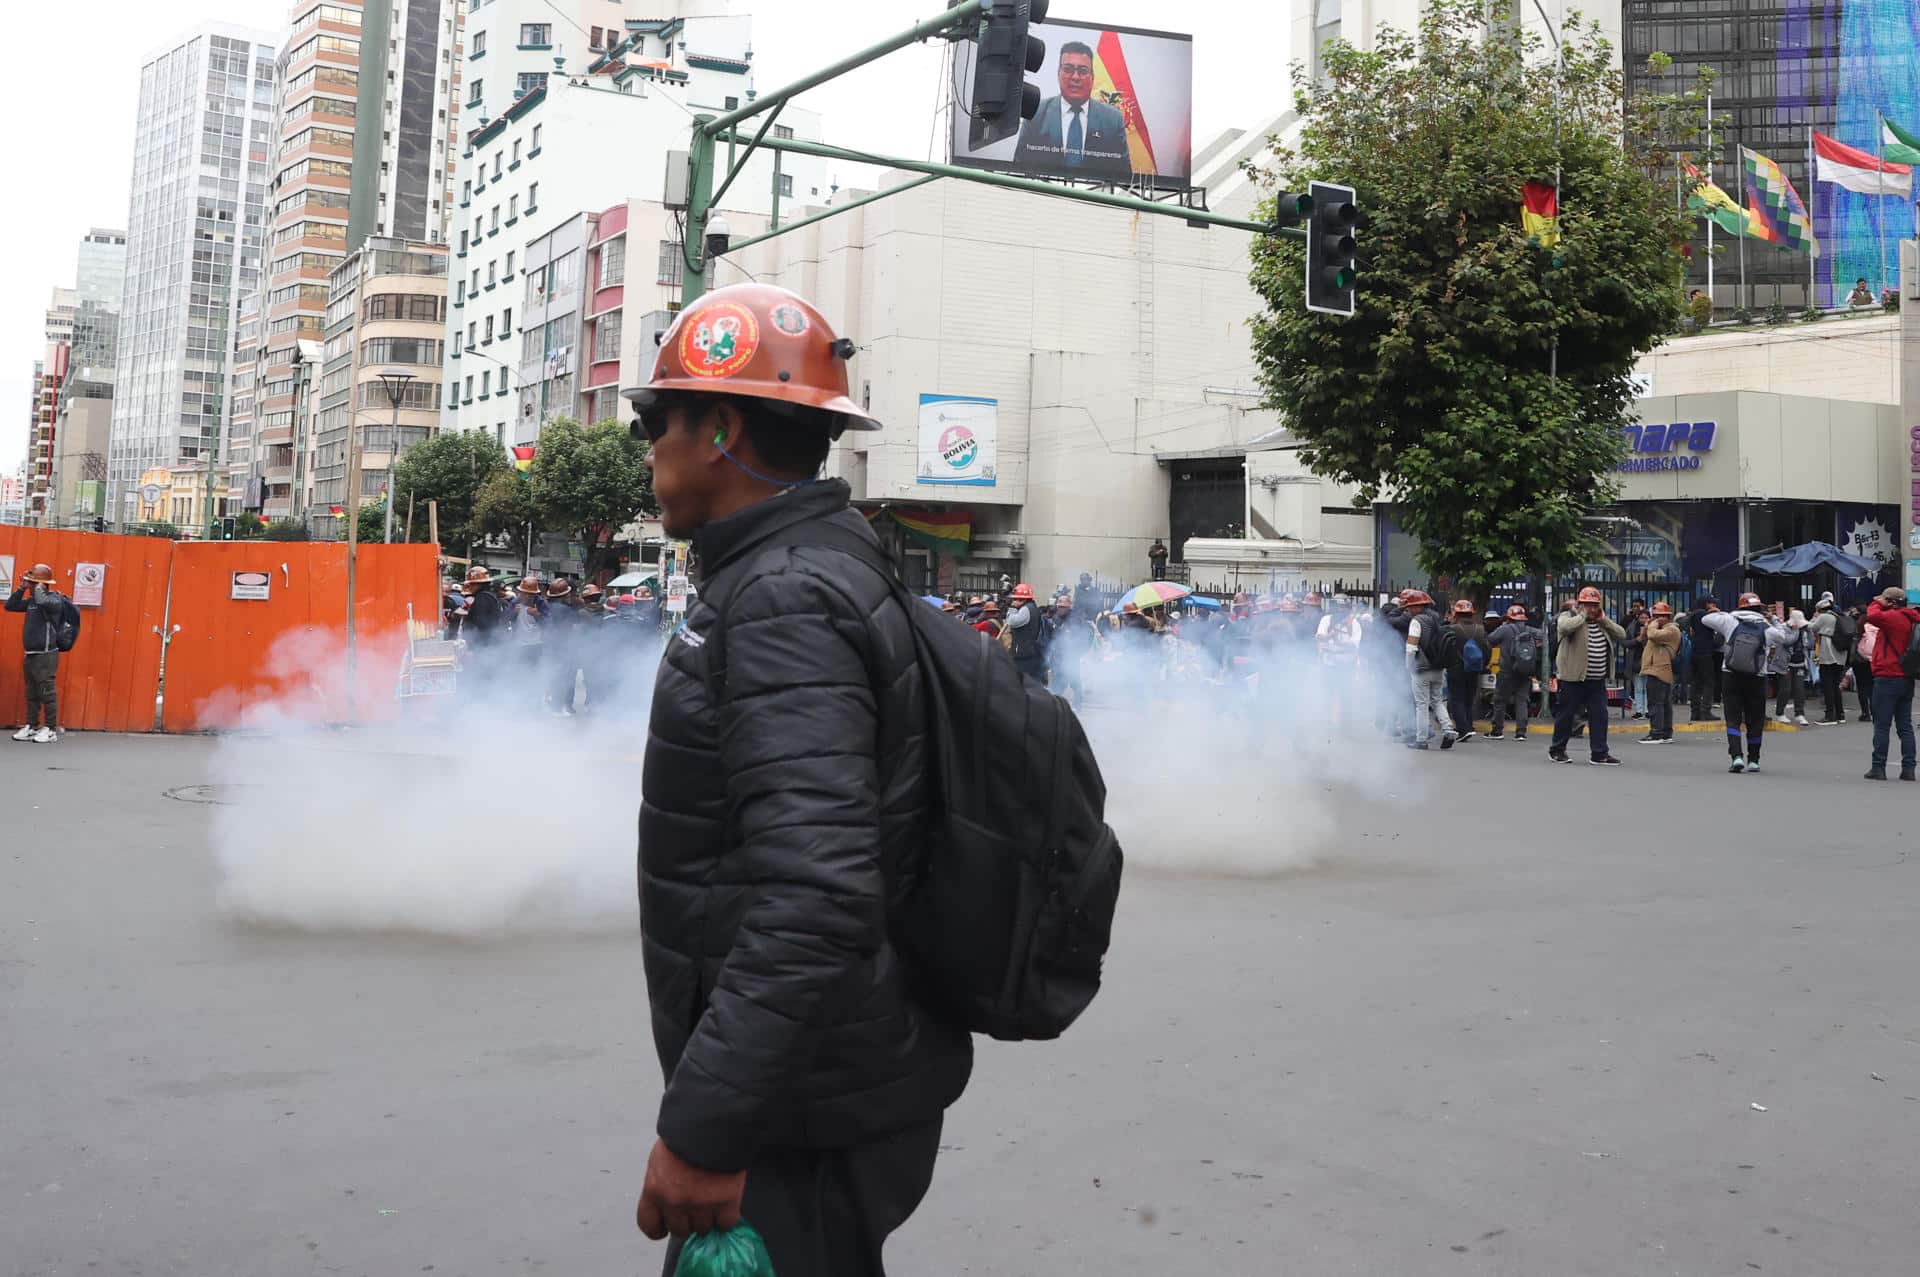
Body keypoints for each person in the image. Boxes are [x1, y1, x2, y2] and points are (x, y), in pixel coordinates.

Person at [625, 283, 970, 1273]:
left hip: (804, 1109)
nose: (649, 446)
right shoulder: (803, 569)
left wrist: (707, 1127)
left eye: (662, 420)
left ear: (721, 430)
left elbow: (815, 892)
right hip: (818, 1083)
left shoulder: (783, 597)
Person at [1691, 592, 1789, 774]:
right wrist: (1774, 618)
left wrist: (1720, 612)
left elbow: (1706, 620)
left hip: (1731, 674)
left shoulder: (1729, 620)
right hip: (1757, 677)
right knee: (1755, 720)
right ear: (1759, 608)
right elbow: (1783, 637)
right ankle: (1754, 760)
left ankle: (1736, 757)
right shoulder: (1767, 628)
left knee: (1733, 718)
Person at [1012, 41, 1131, 180]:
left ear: (1092, 77)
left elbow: (1124, 177)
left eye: (1082, 71)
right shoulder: (1036, 112)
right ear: (1058, 74)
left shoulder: (1113, 119)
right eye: (1068, 69)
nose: (1075, 77)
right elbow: (1018, 171)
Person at [1549, 586, 1624, 765]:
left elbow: (1621, 634)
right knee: (1566, 716)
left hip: (1596, 680)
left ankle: (1599, 753)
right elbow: (1564, 627)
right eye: (1587, 605)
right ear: (1580, 604)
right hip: (1572, 678)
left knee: (1600, 716)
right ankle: (1557, 750)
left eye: (1594, 605)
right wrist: (1581, 616)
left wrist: (1604, 620)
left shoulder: (1601, 621)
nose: (1591, 609)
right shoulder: (1569, 616)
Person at [7, 563, 79, 743]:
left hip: (46, 654)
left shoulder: (53, 599)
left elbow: (42, 600)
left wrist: (39, 586)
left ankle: (50, 729)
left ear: (41, 584)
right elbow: (11, 605)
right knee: (32, 692)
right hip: (31, 653)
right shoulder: (32, 601)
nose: (29, 585)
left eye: (32, 583)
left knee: (47, 692)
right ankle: (32, 726)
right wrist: (21, 588)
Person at [1862, 586, 1919, 781]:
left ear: (1892, 602)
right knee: (1905, 726)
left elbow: (1872, 615)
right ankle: (1909, 768)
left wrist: (1878, 602)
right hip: (1906, 677)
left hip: (1887, 676)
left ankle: (1878, 767)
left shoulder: (1894, 617)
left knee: (1882, 725)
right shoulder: (1911, 618)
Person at [1397, 590, 1456, 750]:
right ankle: (1448, 729)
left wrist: (1408, 665)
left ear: (1417, 607)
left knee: (1421, 704)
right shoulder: (1436, 618)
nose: (1407, 610)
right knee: (1437, 700)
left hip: (1421, 669)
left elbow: (1411, 646)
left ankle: (1421, 740)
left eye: (1410, 606)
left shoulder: (1417, 621)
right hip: (1438, 667)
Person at [1486, 603, 1543, 741]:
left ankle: (1497, 730)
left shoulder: (1504, 629)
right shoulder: (1530, 630)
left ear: (1509, 618)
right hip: (1525, 670)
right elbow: (1543, 637)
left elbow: (1490, 639)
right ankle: (1521, 732)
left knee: (1500, 700)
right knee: (1522, 701)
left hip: (1506, 671)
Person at [1443, 599, 1488, 741]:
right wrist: (1482, 665)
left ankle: (1462, 729)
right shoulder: (1480, 629)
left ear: (1457, 613)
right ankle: (1469, 726)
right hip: (1474, 669)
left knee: (1456, 699)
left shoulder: (1452, 629)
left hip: (1456, 668)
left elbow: (1445, 648)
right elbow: (1487, 650)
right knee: (1469, 698)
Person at [1637, 601, 1682, 743]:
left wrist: (1651, 625)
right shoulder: (1656, 630)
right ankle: (1665, 732)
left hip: (1660, 669)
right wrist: (1645, 630)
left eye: (1658, 616)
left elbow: (1653, 635)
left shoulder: (1672, 630)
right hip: (1654, 669)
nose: (1655, 619)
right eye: (1655, 616)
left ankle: (1657, 733)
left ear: (1666, 617)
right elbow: (1645, 640)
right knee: (1662, 703)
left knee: (1656, 703)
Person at [1809, 595, 1849, 725]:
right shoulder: (1838, 616)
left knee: (1827, 686)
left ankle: (1829, 716)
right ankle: (1840, 714)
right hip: (1840, 657)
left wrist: (1814, 617)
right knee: (1835, 686)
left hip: (1828, 657)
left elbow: (1812, 628)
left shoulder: (1824, 617)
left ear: (1820, 609)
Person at [1772, 608, 1812, 726]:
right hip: (1785, 664)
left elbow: (1809, 645)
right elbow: (1786, 641)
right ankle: (1780, 713)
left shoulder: (1803, 631)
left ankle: (1800, 714)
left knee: (1799, 690)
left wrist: (1809, 632)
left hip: (1799, 663)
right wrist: (1796, 631)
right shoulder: (1784, 628)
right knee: (1785, 689)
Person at [1686, 598, 1723, 721]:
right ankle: (1705, 711)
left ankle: (1695, 711)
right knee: (1709, 682)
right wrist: (1717, 613)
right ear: (1706, 604)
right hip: (1705, 652)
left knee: (1696, 682)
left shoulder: (1693, 615)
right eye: (1712, 603)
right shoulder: (1704, 615)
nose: (1714, 605)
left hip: (1695, 650)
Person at [1004, 583, 1046, 684]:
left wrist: (1012, 608)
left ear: (1022, 599)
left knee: (1024, 684)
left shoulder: (1025, 610)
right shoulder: (1031, 608)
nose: (1013, 601)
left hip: (1024, 655)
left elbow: (1011, 621)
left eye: (1016, 599)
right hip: (1029, 653)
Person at [1849, 603, 1876, 721]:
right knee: (1872, 687)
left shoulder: (1858, 625)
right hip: (1873, 659)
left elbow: (1853, 643)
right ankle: (1874, 711)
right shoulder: (1875, 625)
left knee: (1862, 687)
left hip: (1859, 661)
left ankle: (1865, 713)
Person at [1622, 599, 1649, 719]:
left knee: (1647, 688)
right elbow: (1624, 642)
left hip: (1649, 661)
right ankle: (1639, 710)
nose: (1643, 620)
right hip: (1636, 661)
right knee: (1638, 687)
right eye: (1641, 617)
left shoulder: (1654, 628)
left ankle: (1648, 710)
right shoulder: (1632, 628)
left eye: (1646, 617)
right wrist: (1636, 640)